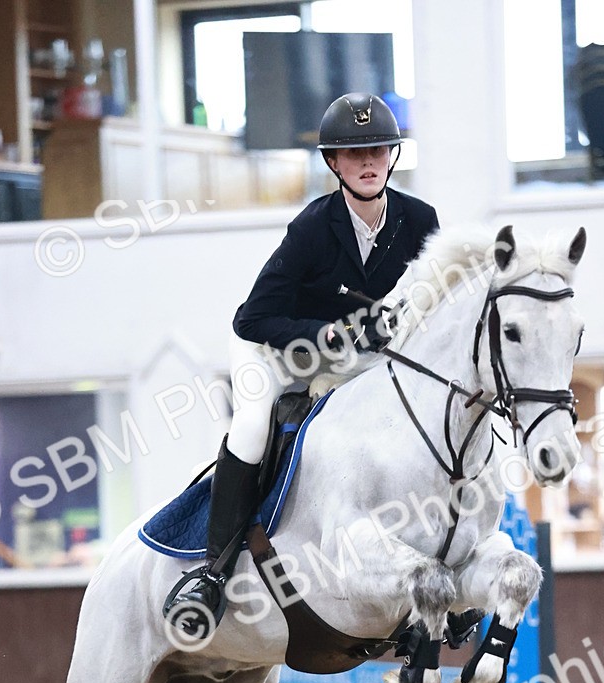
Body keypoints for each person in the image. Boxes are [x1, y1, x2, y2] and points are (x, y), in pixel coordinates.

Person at [165, 92, 439, 635]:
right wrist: (329, 332)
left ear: (392, 156)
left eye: (378, 150)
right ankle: (213, 573)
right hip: (275, 350)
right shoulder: (312, 228)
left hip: (356, 365)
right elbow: (252, 319)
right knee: (250, 427)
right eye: (352, 154)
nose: (367, 162)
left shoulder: (420, 221)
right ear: (333, 163)